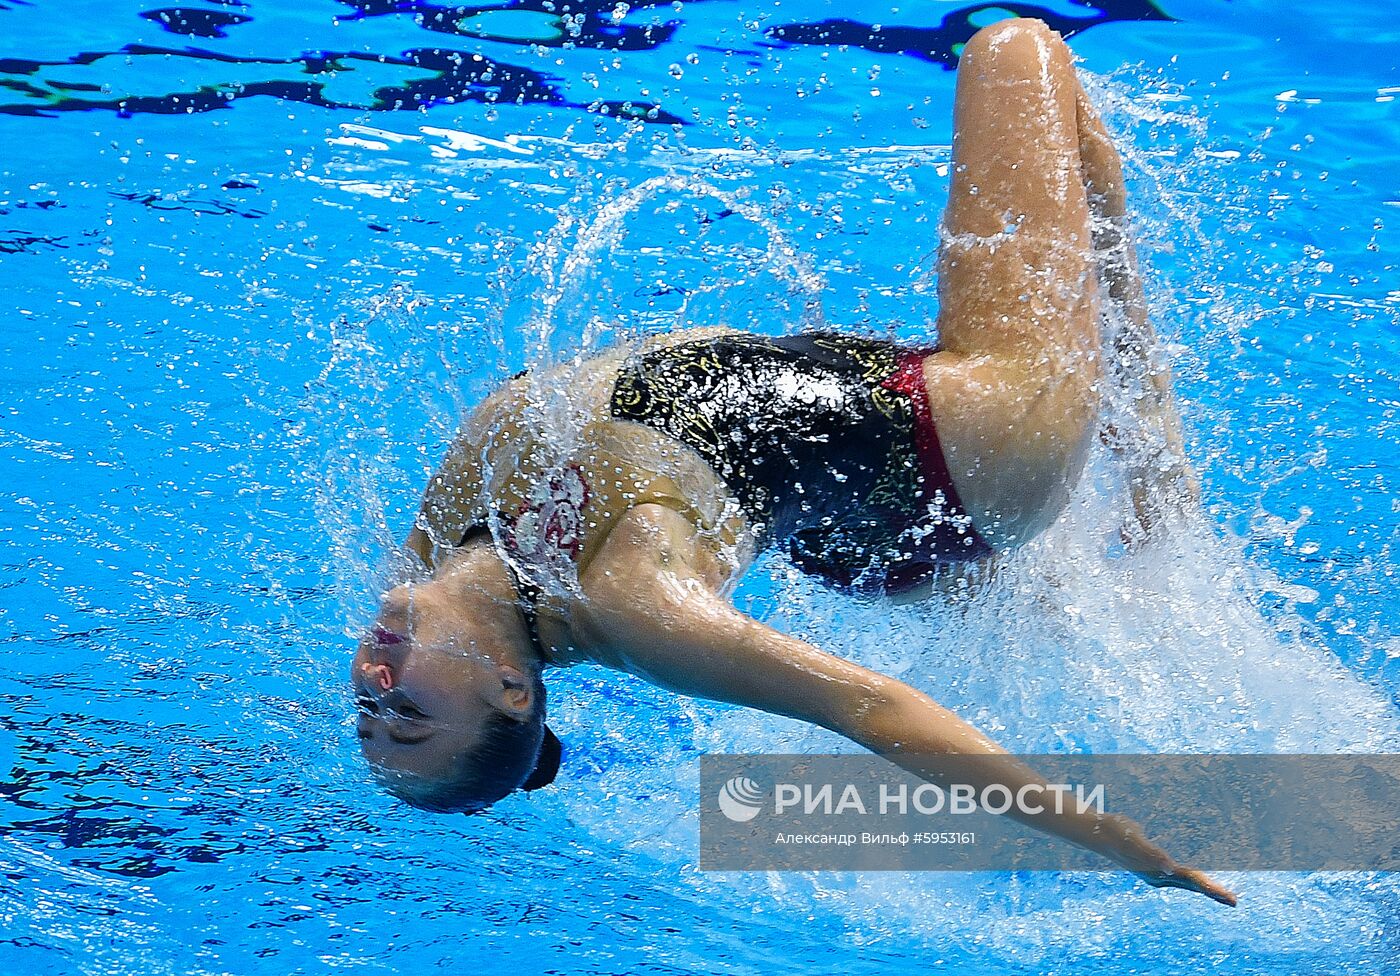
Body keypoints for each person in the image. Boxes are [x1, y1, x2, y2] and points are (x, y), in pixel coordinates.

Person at [350, 18, 1232, 905]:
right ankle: (1151, 431)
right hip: (967, 455)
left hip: (842, 515)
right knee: (1017, 53)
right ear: (511, 690)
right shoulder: (633, 602)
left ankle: (1127, 454)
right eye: (411, 715)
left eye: (369, 713)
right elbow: (873, 710)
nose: (378, 687)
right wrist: (1110, 838)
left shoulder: (442, 545)